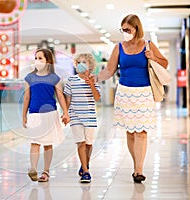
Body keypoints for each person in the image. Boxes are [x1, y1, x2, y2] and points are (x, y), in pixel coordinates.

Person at [92, 14, 168, 183]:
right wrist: (95, 78)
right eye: (123, 29)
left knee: (141, 132)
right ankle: (136, 165)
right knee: (131, 132)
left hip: (144, 93)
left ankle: (139, 169)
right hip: (125, 93)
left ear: (136, 29)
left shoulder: (148, 45)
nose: (125, 32)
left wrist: (152, 57)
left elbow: (164, 63)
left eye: (128, 29)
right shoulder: (118, 47)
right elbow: (109, 71)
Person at [22, 48, 70, 182]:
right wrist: (24, 115)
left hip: (50, 114)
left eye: (40, 58)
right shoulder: (29, 77)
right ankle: (33, 168)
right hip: (34, 114)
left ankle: (46, 172)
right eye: (36, 58)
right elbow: (27, 97)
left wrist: (66, 113)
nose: (37, 61)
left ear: (48, 61)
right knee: (35, 143)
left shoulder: (54, 78)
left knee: (48, 144)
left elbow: (60, 97)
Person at [64, 53, 101, 183]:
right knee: (81, 142)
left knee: (89, 144)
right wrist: (65, 113)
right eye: (78, 62)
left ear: (90, 65)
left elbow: (97, 98)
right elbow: (67, 99)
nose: (81, 64)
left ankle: (85, 163)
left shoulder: (94, 79)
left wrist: (91, 83)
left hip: (89, 115)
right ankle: (86, 171)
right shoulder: (71, 80)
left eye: (84, 62)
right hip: (75, 115)